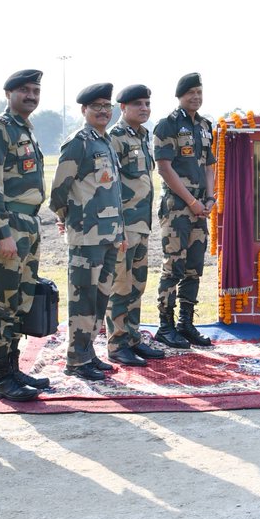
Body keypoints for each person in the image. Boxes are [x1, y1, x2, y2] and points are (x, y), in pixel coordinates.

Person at [0, 69, 49, 401]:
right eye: (24, 90)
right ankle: (1, 377)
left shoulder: (26, 130)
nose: (31, 95)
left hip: (28, 224)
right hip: (11, 226)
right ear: (8, 94)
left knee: (21, 300)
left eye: (35, 90)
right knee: (3, 301)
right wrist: (2, 233)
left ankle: (15, 368)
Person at [50, 83, 126, 380]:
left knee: (99, 297)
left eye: (107, 106)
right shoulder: (78, 142)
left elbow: (113, 191)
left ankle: (88, 352)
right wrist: (67, 219)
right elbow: (58, 190)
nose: (103, 112)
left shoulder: (105, 141)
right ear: (84, 110)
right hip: (86, 236)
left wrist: (120, 230)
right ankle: (76, 359)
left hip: (109, 234)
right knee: (82, 299)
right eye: (97, 107)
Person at [154, 72, 217, 348]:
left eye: (199, 92)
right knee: (173, 267)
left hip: (200, 209)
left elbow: (208, 166)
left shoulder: (205, 126)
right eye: (191, 92)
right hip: (178, 209)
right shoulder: (167, 125)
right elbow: (165, 168)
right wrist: (192, 201)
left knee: (194, 268)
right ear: (180, 96)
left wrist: (211, 198)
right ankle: (165, 327)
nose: (196, 97)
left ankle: (185, 324)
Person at [107, 84, 166, 364]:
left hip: (141, 224)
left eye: (147, 103)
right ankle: (117, 345)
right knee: (121, 284)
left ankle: (132, 338)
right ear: (123, 108)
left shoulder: (142, 136)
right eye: (137, 104)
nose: (144, 108)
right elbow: (109, 186)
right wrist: (117, 227)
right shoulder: (115, 138)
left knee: (137, 285)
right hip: (123, 225)